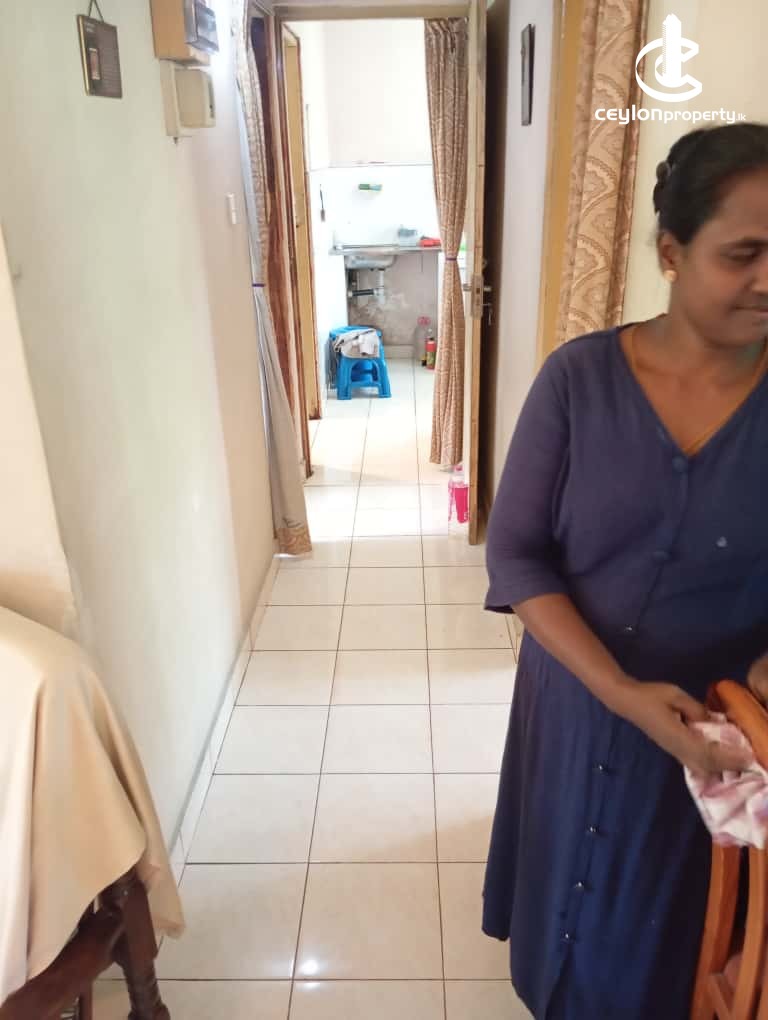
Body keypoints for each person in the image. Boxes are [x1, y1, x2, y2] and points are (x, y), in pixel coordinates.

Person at [483, 122, 768, 1019]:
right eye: (744, 254)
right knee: (564, 906)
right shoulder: (579, 380)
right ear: (671, 253)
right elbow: (517, 552)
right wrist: (618, 692)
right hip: (577, 698)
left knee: (666, 939)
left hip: (709, 733)